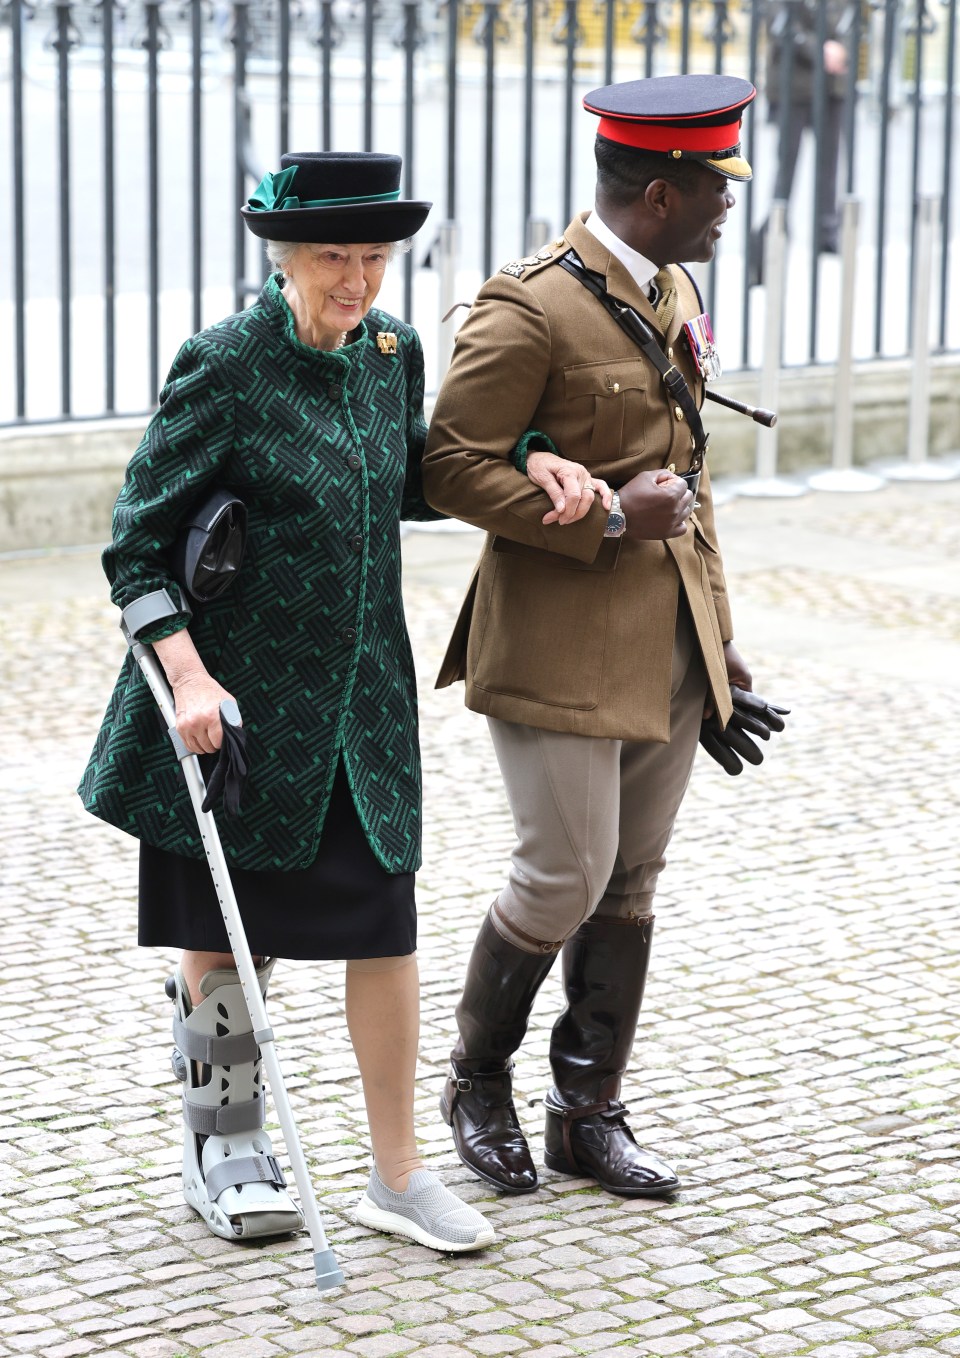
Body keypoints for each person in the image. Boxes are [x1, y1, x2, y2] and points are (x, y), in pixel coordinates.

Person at [78, 151, 522, 1254]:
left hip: (362, 712)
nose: (359, 278)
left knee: (385, 928)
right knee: (223, 941)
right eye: (336, 255)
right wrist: (187, 676)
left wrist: (531, 458)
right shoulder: (224, 365)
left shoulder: (389, 352)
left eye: (374, 256)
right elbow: (135, 544)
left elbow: (410, 478)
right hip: (235, 710)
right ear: (283, 256)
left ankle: (398, 1174)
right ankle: (224, 1153)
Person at [421, 74, 761, 1199]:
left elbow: (691, 480)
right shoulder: (529, 307)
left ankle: (587, 1111)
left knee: (633, 878)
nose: (730, 211)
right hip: (560, 642)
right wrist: (608, 512)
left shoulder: (665, 290)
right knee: (563, 872)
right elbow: (449, 464)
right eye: (718, 191)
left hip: (664, 642)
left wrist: (718, 642)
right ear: (661, 193)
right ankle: (476, 1083)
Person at [750, 0, 851, 282]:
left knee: (829, 162)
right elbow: (779, 25)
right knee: (786, 166)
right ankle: (777, 232)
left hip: (832, 87)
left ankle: (827, 234)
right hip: (793, 85)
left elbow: (847, 20)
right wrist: (818, 49)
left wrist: (839, 51)